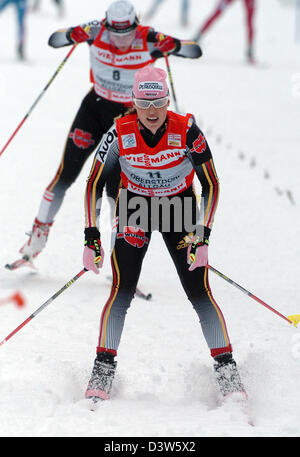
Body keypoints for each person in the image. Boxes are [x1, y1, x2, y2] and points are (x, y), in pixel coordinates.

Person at [82, 65, 246, 405]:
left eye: (159, 102)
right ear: (134, 102)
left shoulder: (186, 130)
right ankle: (102, 372)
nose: (152, 111)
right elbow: (94, 183)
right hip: (136, 208)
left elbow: (211, 184)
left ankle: (228, 376)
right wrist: (91, 237)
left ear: (167, 100)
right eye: (145, 103)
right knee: (121, 289)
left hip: (179, 209)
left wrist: (202, 236)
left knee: (198, 290)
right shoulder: (118, 131)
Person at [18, 0, 201, 264]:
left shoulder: (149, 38)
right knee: (65, 174)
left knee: (117, 190)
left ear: (134, 27)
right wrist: (73, 34)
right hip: (94, 109)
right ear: (107, 25)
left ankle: (120, 259)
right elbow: (53, 40)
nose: (120, 39)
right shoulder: (96, 32)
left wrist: (175, 45)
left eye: (126, 33)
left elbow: (195, 51)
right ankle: (36, 237)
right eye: (115, 32)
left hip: (127, 119)